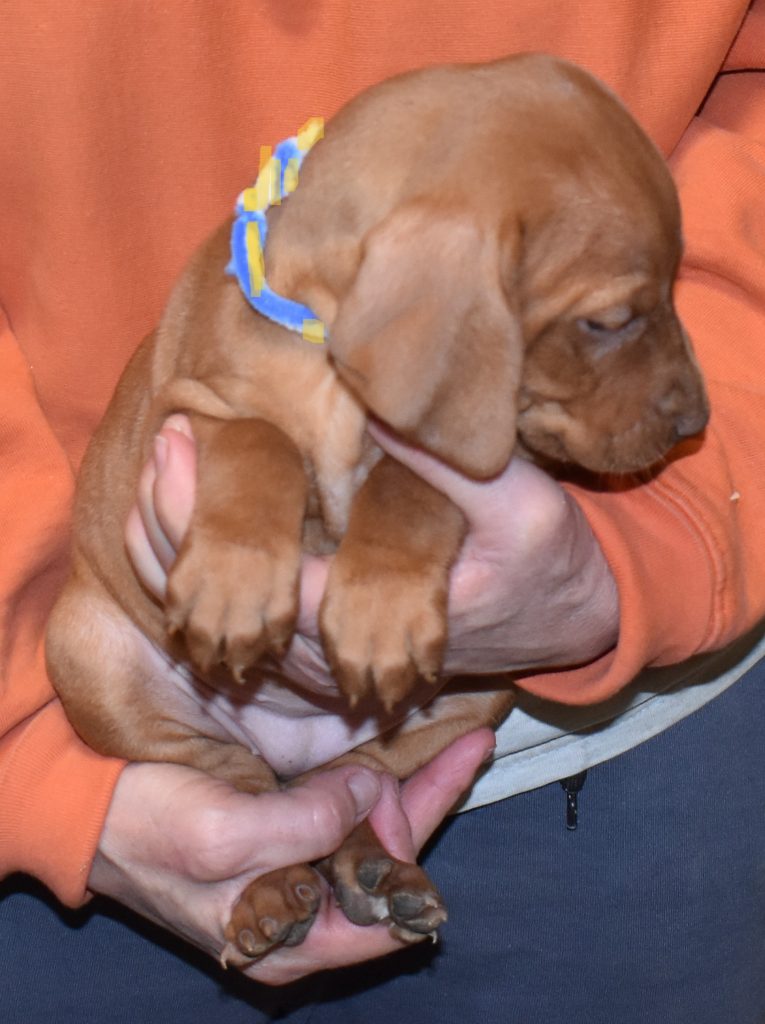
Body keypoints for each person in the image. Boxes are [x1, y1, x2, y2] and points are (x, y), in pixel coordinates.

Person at [1, 1, 763, 1021]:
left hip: (569, 744)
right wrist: (36, 771)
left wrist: (652, 543)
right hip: (117, 760)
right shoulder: (295, 296)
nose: (684, 404)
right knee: (99, 640)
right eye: (611, 322)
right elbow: (247, 416)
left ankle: (352, 814)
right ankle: (280, 817)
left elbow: (449, 427)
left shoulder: (460, 307)